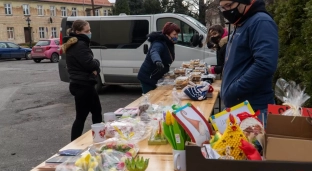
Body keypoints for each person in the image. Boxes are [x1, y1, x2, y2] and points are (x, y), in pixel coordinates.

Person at [219, 0, 279, 128]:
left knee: (252, 148)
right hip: (240, 110)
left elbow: (265, 65)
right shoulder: (241, 23)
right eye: (223, 8)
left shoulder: (260, 22)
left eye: (229, 5)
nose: (226, 11)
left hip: (254, 111)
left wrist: (234, 90)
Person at [62, 20, 102, 141]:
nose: (89, 33)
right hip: (84, 85)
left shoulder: (75, 43)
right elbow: (90, 64)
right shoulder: (80, 45)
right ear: (78, 32)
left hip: (80, 84)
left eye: (89, 30)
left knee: (86, 115)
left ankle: (94, 137)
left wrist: (95, 69)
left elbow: (88, 66)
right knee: (91, 115)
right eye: (87, 31)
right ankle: (97, 138)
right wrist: (97, 64)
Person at [138, 22, 181, 94]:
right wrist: (157, 61)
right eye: (174, 34)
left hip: (156, 76)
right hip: (148, 77)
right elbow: (154, 52)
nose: (176, 36)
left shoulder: (169, 42)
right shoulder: (159, 43)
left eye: (177, 34)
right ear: (167, 34)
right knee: (150, 98)